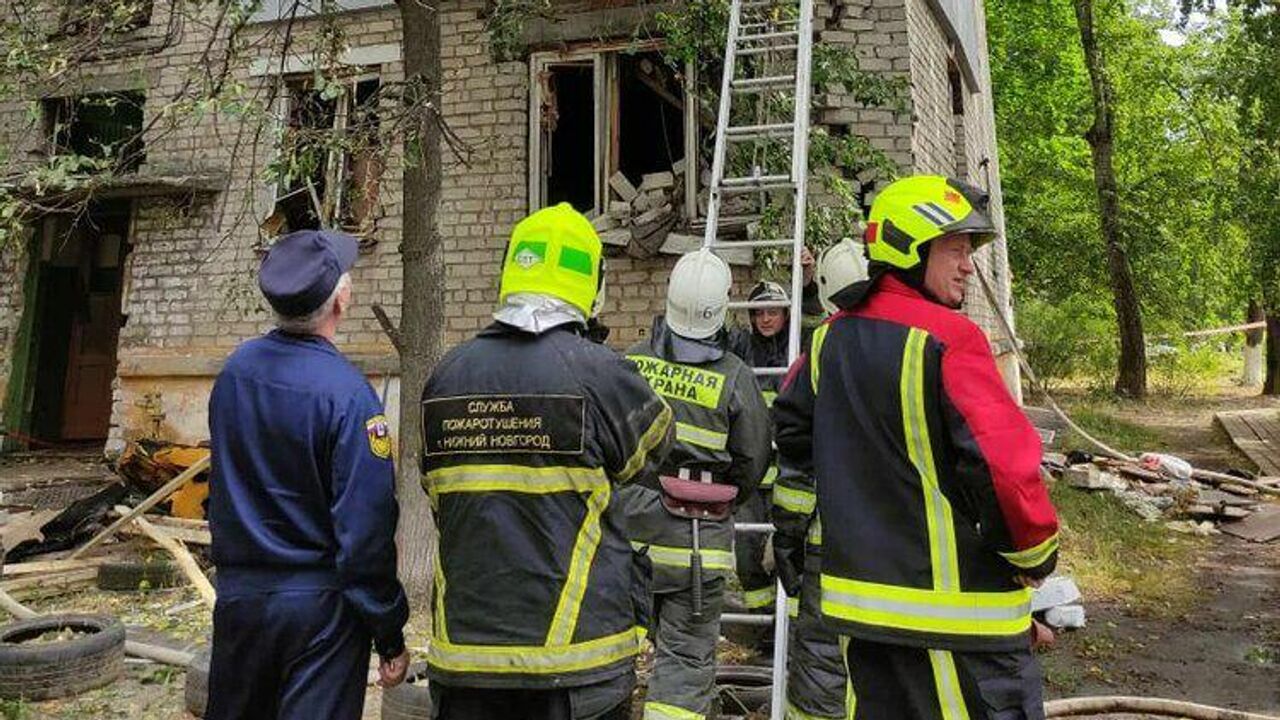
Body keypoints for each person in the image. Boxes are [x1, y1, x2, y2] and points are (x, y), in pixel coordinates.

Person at [774, 175, 1061, 720]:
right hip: (962, 627)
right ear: (909, 247)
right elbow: (1005, 469)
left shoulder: (825, 341)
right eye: (955, 248)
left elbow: (791, 438)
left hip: (865, 618)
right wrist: (1034, 555)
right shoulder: (951, 339)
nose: (967, 265)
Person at [419, 203, 673, 720]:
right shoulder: (604, 375)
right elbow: (652, 455)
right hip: (576, 665)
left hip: (465, 664)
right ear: (593, 283)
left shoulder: (445, 377)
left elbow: (435, 490)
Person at [207, 229, 410, 720]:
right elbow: (365, 533)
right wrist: (389, 631)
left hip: (240, 601)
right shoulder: (348, 396)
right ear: (341, 300)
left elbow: (221, 488)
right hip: (320, 614)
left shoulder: (236, 373)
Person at [623, 249, 772, 720]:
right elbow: (753, 463)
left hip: (629, 542)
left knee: (609, 654)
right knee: (684, 664)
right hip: (695, 544)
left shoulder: (632, 365)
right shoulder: (735, 377)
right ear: (721, 310)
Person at [770, 237, 868, 720]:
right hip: (903, 550)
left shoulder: (814, 361)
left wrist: (787, 540)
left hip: (827, 546)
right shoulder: (918, 346)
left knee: (822, 665)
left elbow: (794, 461)